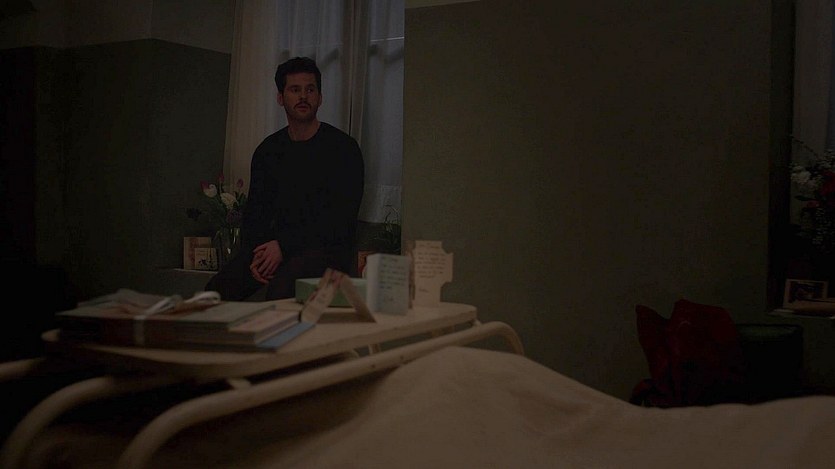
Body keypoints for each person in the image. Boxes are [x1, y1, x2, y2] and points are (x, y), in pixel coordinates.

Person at [206, 57, 364, 300]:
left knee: (281, 290)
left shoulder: (343, 148)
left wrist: (284, 246)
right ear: (281, 98)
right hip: (275, 248)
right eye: (294, 90)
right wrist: (256, 255)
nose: (303, 97)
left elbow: (339, 219)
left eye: (310, 90)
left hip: (325, 251)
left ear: (320, 97)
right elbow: (256, 214)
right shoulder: (268, 151)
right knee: (214, 291)